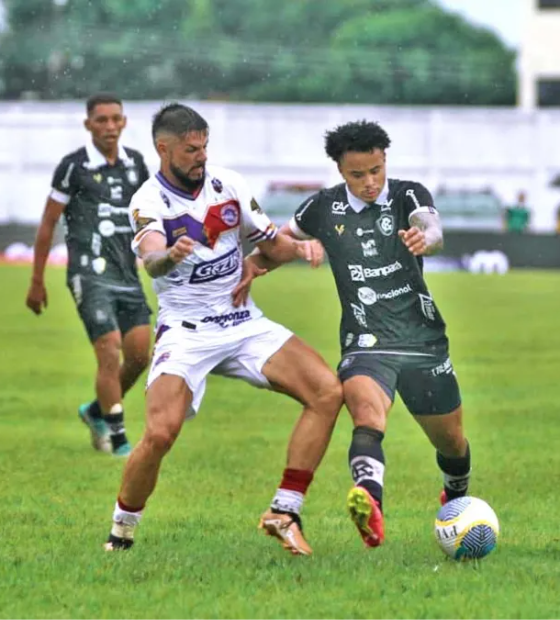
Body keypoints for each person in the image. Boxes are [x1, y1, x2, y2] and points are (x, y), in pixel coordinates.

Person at [104, 103, 342, 555]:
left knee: (328, 391)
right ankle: (122, 532)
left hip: (242, 322)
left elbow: (270, 244)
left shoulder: (228, 185)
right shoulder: (147, 201)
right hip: (186, 332)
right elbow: (152, 259)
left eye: (205, 146)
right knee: (159, 434)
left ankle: (284, 510)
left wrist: (304, 247)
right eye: (191, 149)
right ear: (164, 148)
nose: (201, 156)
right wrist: (170, 256)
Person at [241, 120, 471, 549]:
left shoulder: (408, 195)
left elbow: (433, 229)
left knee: (453, 443)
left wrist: (426, 239)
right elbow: (284, 242)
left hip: (422, 340)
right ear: (340, 171)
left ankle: (456, 494)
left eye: (376, 171)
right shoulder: (322, 208)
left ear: (385, 161)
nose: (369, 182)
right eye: (358, 174)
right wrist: (256, 264)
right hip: (366, 340)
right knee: (367, 415)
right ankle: (371, 504)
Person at [25, 93, 152, 457]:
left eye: (116, 119)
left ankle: (96, 411)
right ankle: (118, 439)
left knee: (140, 356)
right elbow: (49, 222)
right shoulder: (73, 166)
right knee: (109, 351)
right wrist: (37, 280)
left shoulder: (136, 164)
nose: (110, 126)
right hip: (89, 272)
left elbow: (149, 212)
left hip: (127, 273)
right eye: (102, 120)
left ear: (124, 122)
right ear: (88, 125)